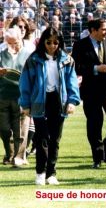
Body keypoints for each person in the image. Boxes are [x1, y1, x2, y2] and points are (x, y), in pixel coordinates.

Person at [19, 27, 80, 185]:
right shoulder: (33, 60)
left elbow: (71, 81)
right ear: (43, 42)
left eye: (56, 42)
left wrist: (72, 101)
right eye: (49, 42)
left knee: (55, 139)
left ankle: (51, 173)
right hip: (39, 101)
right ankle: (40, 172)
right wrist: (25, 104)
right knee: (42, 138)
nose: (52, 45)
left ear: (60, 43)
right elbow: (25, 82)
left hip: (59, 101)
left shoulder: (67, 60)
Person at [71, 19, 106, 169]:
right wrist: (96, 69)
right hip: (90, 90)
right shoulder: (80, 45)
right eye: (103, 29)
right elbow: (77, 67)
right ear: (93, 30)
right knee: (94, 123)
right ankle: (97, 157)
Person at [0, 27, 32, 167]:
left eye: (15, 42)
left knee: (21, 129)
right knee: (4, 129)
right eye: (10, 43)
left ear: (21, 38)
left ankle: (19, 157)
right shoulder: (1, 54)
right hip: (3, 96)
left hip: (22, 96)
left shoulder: (29, 55)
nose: (13, 46)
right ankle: (9, 153)